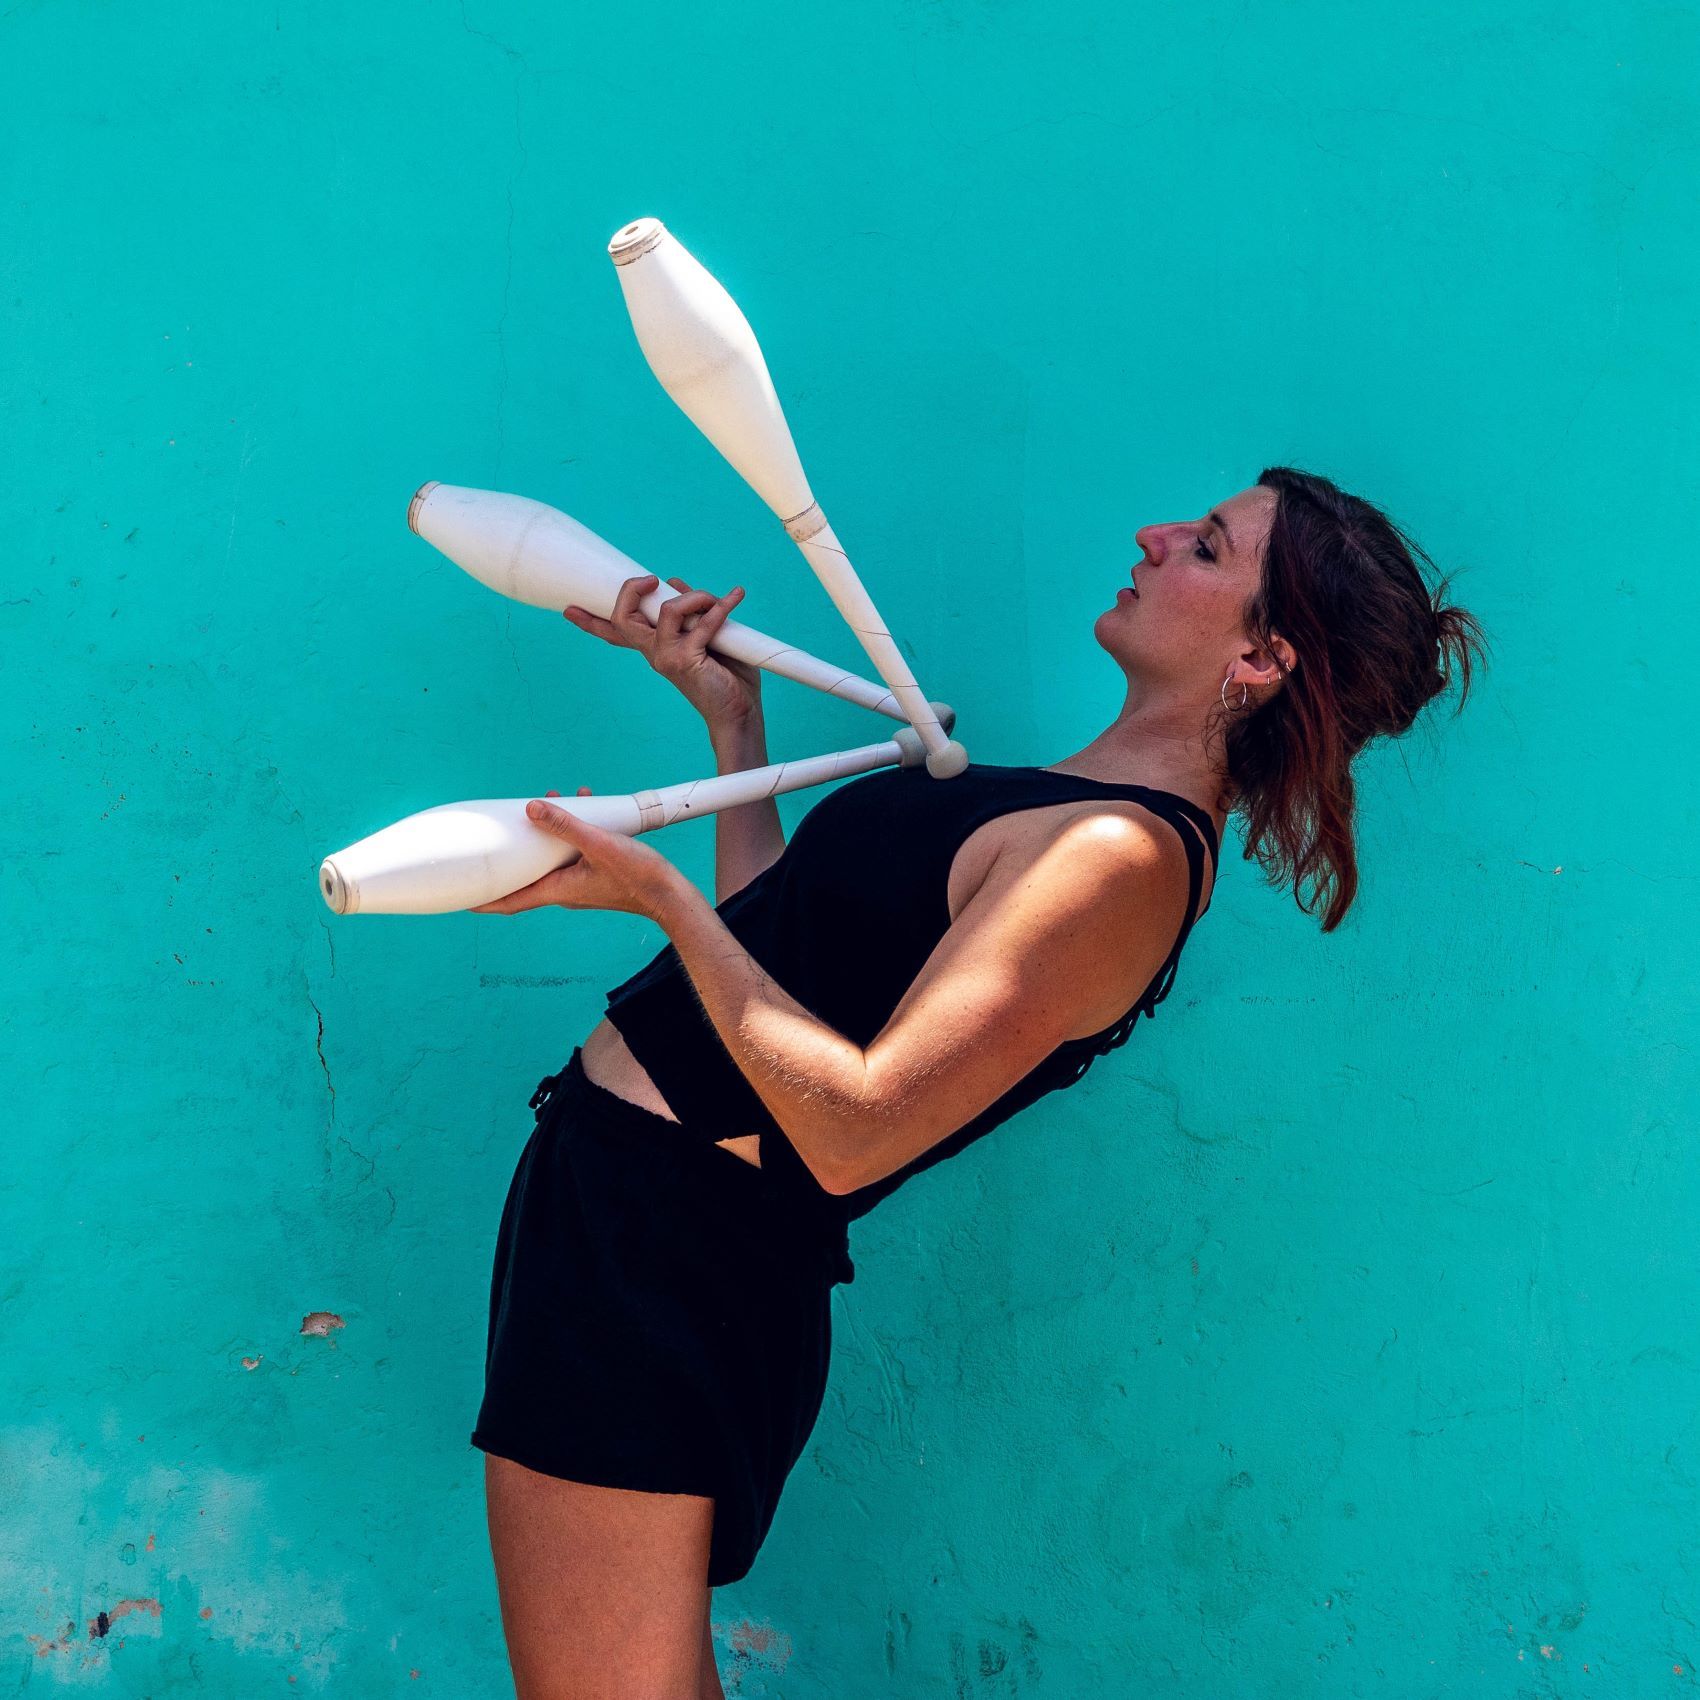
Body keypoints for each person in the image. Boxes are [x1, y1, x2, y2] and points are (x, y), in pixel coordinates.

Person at [464, 465, 1488, 1698]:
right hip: (633, 1217)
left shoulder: (1117, 855)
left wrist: (656, 894)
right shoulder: (1062, 807)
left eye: (1205, 547)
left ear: (1260, 657)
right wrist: (732, 727)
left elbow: (853, 1127)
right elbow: (784, 966)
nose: (1153, 534)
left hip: (672, 1252)